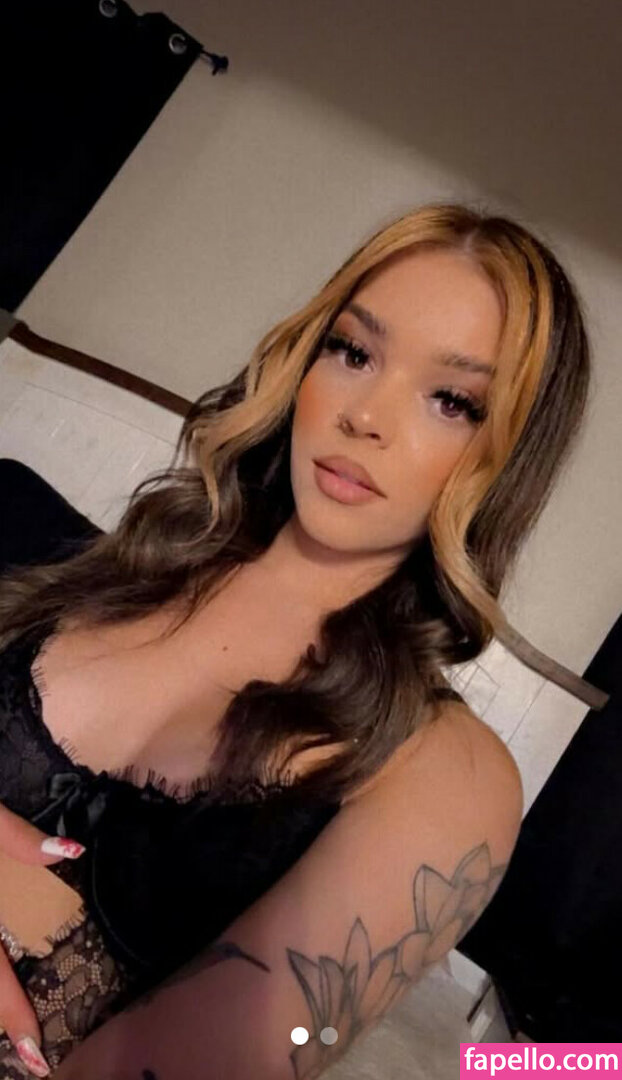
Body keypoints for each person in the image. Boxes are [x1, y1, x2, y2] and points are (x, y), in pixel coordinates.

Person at [0, 201, 590, 1080]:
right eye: (353, 351)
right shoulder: (91, 558)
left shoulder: (445, 771)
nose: (365, 415)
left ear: (508, 462)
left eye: (452, 400)